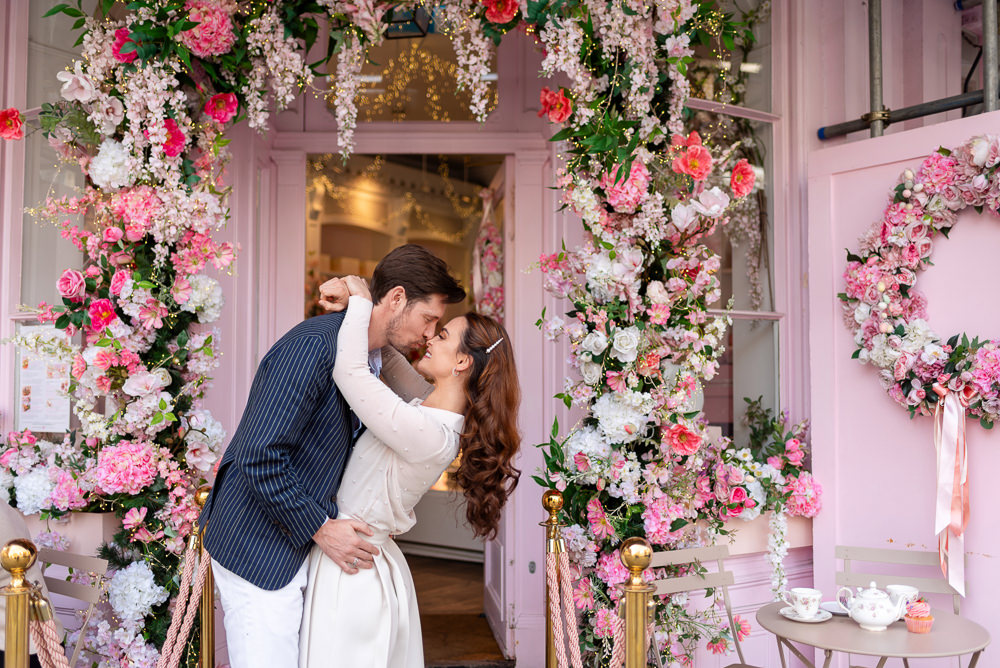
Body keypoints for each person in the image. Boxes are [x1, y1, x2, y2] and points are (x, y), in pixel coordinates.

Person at [198, 245, 465, 668]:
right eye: (428, 318)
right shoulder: (314, 346)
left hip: (299, 547)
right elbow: (258, 454)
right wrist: (321, 527)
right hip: (259, 547)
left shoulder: (370, 358)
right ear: (396, 299)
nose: (430, 333)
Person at [299, 275, 520, 667]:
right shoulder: (423, 405)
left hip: (352, 570)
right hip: (350, 556)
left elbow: (350, 372)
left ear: (463, 361)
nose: (430, 337)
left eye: (444, 334)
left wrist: (363, 301)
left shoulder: (430, 433)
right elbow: (387, 353)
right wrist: (358, 301)